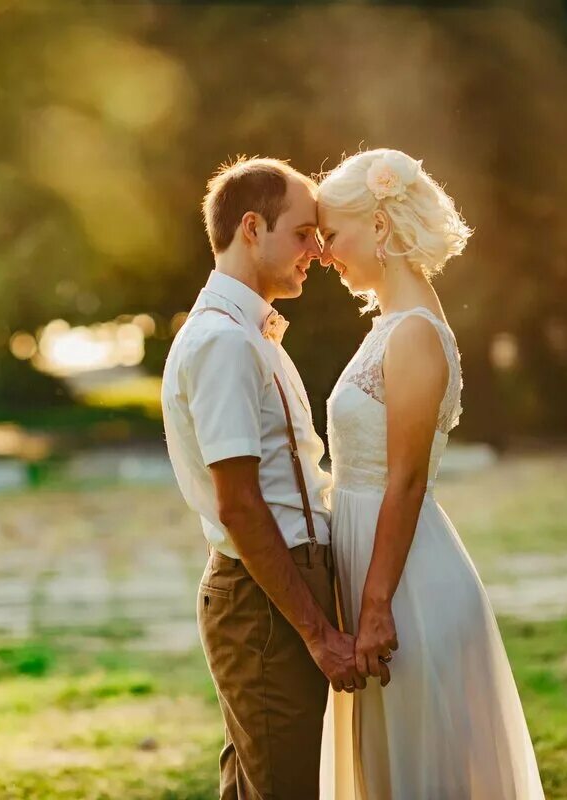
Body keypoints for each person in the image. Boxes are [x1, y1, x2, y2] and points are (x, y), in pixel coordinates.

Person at [316, 148, 544, 799]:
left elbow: (407, 481)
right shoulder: (392, 325)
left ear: (380, 227)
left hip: (408, 588)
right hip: (377, 570)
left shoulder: (414, 333)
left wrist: (377, 607)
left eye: (333, 235)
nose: (325, 253)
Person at [161, 156, 364, 799]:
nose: (317, 251)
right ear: (253, 227)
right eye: (303, 234)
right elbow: (242, 507)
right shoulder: (224, 343)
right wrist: (319, 633)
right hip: (264, 597)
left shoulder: (250, 334)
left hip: (272, 587)